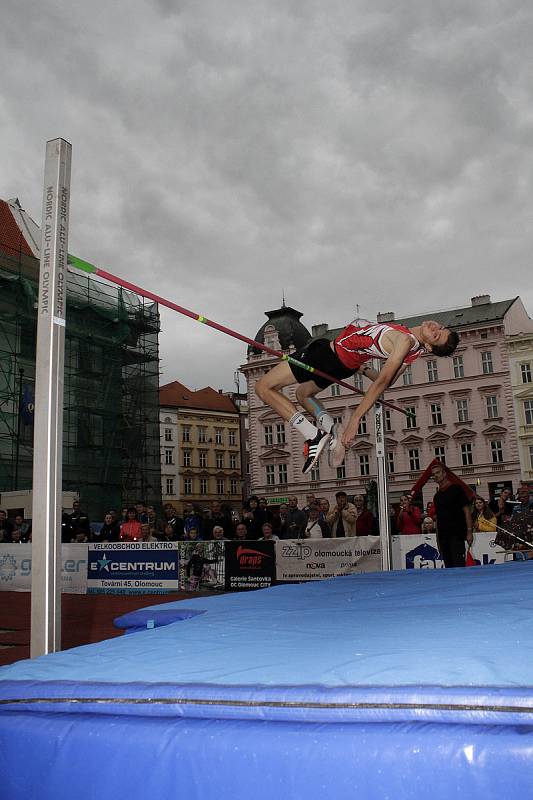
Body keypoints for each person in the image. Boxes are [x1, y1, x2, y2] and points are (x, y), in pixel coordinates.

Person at [255, 319, 459, 473]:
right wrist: (362, 369)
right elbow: (386, 378)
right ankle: (331, 428)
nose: (435, 329)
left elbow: (382, 382)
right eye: (440, 328)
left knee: (263, 388)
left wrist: (355, 419)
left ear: (431, 347)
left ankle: (312, 435)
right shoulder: (413, 350)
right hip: (345, 366)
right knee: (303, 394)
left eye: (437, 336)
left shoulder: (405, 340)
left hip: (327, 355)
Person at [431, 463, 473, 567]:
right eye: (433, 474)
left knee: (458, 564)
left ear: (444, 473)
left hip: (457, 534)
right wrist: (438, 540)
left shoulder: (456, 489)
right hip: (443, 536)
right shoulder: (437, 496)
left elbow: (466, 510)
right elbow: (438, 519)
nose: (436, 475)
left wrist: (469, 531)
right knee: (448, 566)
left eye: (438, 472)